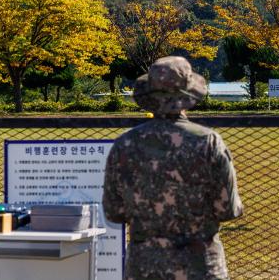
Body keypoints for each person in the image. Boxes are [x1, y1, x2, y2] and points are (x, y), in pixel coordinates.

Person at [103, 56, 243, 280]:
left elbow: (114, 211)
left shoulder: (125, 145)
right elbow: (228, 209)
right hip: (200, 265)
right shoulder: (208, 142)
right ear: (189, 95)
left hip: (145, 266)